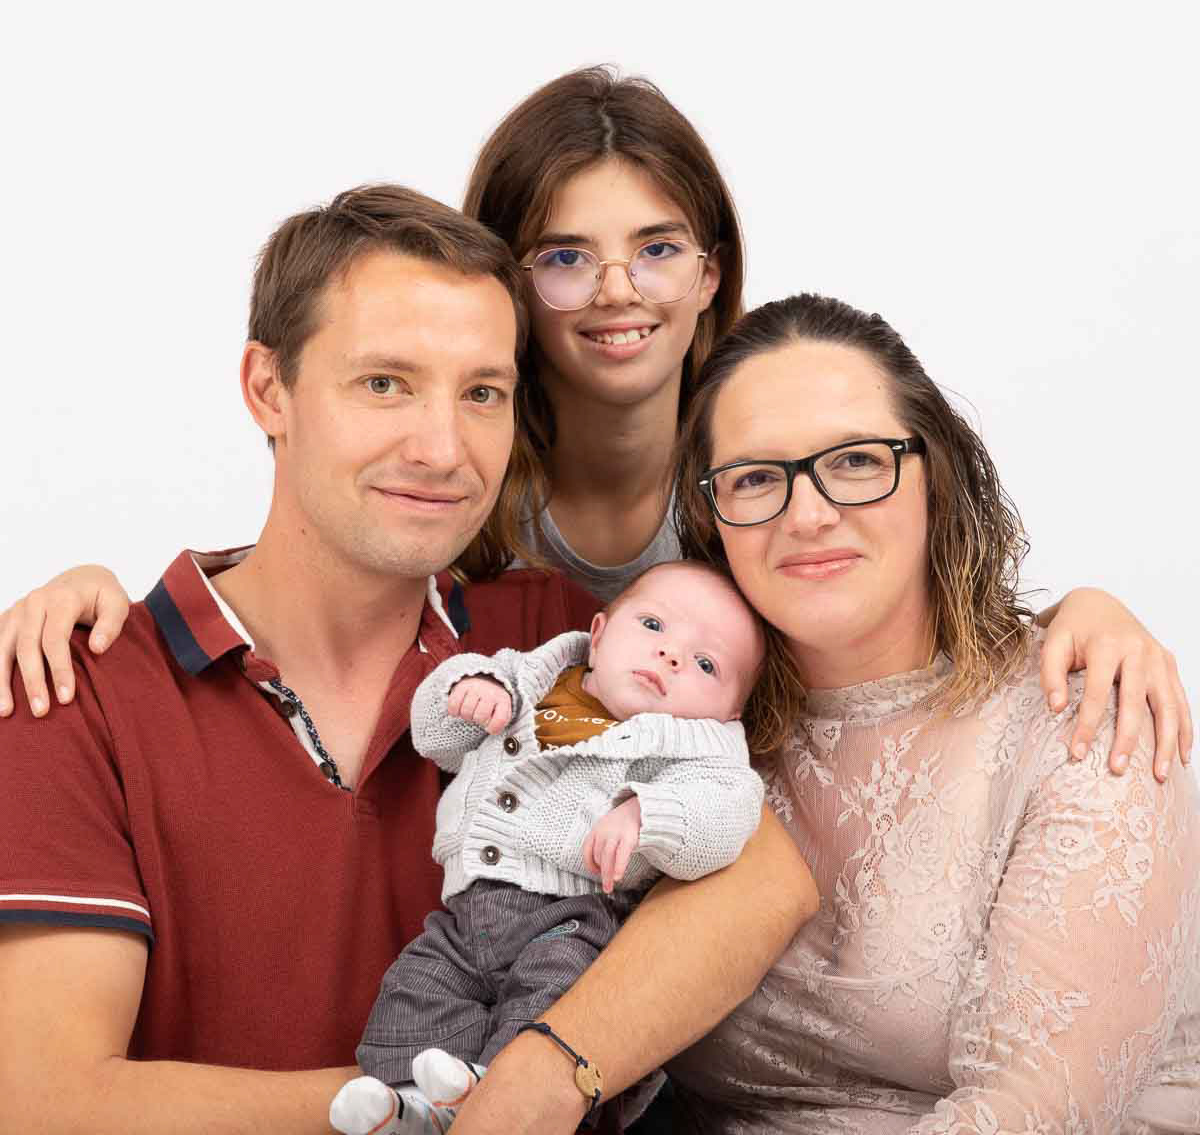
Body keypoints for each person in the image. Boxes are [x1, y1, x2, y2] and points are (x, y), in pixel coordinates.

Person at [0, 69, 1192, 776]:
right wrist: (107, 600)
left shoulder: (766, 473)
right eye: (566, 257)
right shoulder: (455, 490)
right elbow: (320, 572)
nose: (619, 292)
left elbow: (900, 633)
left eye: (657, 249)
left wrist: (1079, 612)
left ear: (712, 273)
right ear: (504, 285)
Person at [0, 185, 817, 1135]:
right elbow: (48, 1102)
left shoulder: (558, 635)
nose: (441, 449)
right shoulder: (72, 689)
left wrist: (547, 1072)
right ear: (269, 389)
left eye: (482, 393)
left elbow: (763, 881)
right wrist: (444, 1109)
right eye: (385, 383)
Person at [661, 292, 1199, 1131]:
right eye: (757, 478)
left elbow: (1033, 1113)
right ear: (709, 514)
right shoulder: (691, 730)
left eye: (855, 461)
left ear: (934, 478)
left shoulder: (1083, 724)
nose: (809, 515)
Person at [329, 559, 767, 1135]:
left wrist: (648, 814)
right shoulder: (524, 676)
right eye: (653, 626)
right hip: (463, 918)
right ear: (599, 634)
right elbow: (436, 739)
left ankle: (498, 1099)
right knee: (416, 989)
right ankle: (412, 1105)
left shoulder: (699, 746)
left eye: (706, 664)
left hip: (575, 920)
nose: (671, 655)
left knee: (552, 1004)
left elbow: (729, 808)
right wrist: (468, 692)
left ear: (730, 711)